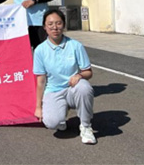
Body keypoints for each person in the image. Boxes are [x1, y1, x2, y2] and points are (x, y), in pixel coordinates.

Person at [34, 9, 97, 145]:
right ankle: (60, 115)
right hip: (54, 91)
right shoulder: (40, 50)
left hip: (72, 89)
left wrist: (79, 75)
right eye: (50, 24)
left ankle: (85, 126)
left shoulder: (75, 46)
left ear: (63, 25)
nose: (55, 27)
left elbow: (88, 72)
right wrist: (38, 106)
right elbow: (41, 81)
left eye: (58, 23)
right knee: (51, 123)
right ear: (45, 27)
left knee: (84, 87)